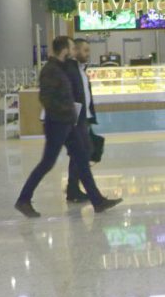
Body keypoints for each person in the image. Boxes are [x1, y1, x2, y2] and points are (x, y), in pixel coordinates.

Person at [15, 36, 122, 218]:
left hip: (68, 123)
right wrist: (66, 110)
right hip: (57, 124)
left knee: (82, 159)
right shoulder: (51, 70)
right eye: (72, 48)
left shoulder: (61, 68)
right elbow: (46, 98)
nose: (74, 52)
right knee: (47, 163)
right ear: (64, 50)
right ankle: (23, 199)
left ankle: (97, 201)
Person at [64, 38, 99, 202]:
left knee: (82, 153)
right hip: (76, 119)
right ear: (75, 51)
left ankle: (73, 189)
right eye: (85, 50)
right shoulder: (71, 70)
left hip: (84, 117)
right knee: (83, 152)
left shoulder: (81, 70)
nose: (88, 54)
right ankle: (81, 192)